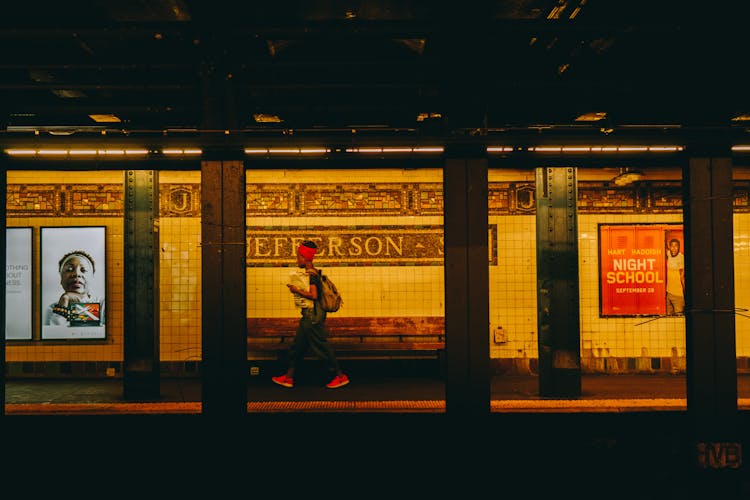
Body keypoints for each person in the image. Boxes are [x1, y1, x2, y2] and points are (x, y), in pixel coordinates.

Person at [272, 240, 350, 389]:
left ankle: (340, 376)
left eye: (298, 256)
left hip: (313, 317)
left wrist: (296, 290)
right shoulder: (311, 272)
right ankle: (288, 377)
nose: (296, 259)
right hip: (308, 316)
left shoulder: (312, 274)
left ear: (304, 257)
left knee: (321, 348)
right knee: (298, 346)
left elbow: (313, 295)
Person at [45, 250, 105, 326]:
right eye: (69, 269)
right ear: (61, 279)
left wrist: (81, 305)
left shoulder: (104, 305)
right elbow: (54, 335)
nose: (76, 274)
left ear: (92, 278)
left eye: (83, 270)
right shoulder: (51, 310)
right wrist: (64, 301)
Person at [665, 238, 685, 315]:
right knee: (669, 320)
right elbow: (664, 248)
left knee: (679, 317)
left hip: (678, 295)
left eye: (676, 246)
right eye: (672, 246)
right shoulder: (669, 254)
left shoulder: (681, 258)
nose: (673, 248)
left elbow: (682, 277)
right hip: (668, 293)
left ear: (679, 247)